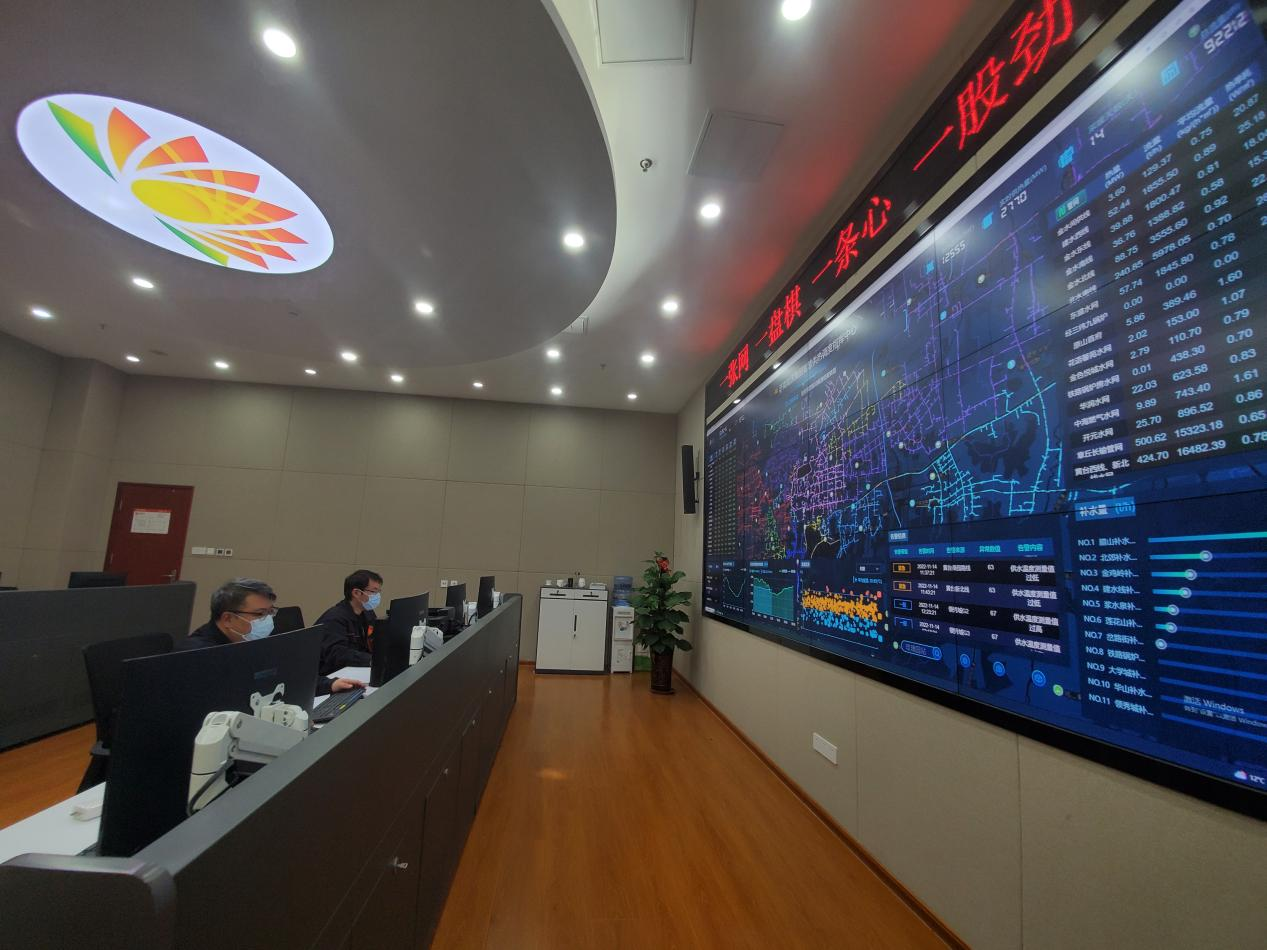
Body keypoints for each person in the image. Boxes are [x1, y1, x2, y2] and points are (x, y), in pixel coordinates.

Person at [181, 577, 362, 696]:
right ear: (228, 618)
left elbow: (284, 674)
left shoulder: (251, 639)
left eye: (270, 612)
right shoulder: (198, 655)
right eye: (260, 614)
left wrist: (329, 684)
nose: (267, 620)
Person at [314, 569, 383, 676]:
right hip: (332, 674)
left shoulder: (368, 613)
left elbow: (374, 640)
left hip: (355, 669)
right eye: (374, 592)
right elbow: (337, 654)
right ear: (356, 593)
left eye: (379, 592)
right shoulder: (334, 619)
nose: (377, 596)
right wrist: (372, 660)